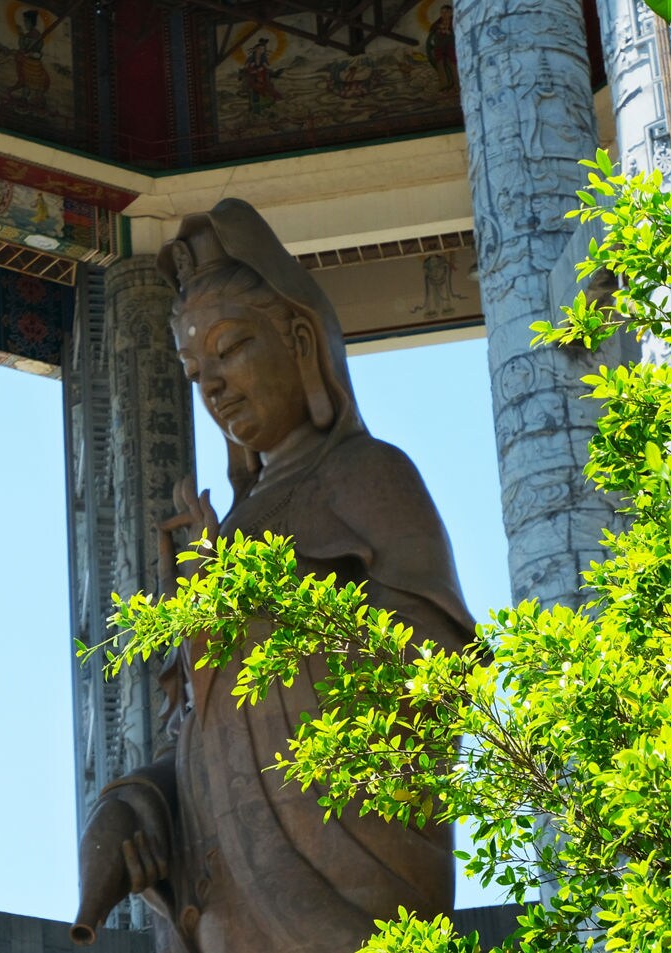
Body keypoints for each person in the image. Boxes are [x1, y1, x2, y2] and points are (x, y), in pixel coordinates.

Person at [72, 199, 474, 953]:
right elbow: (203, 735)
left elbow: (435, 674)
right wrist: (139, 807)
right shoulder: (230, 526)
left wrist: (255, 611)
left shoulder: (369, 478)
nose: (214, 386)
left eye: (231, 349)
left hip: (350, 895)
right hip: (230, 911)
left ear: (298, 339)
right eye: (196, 372)